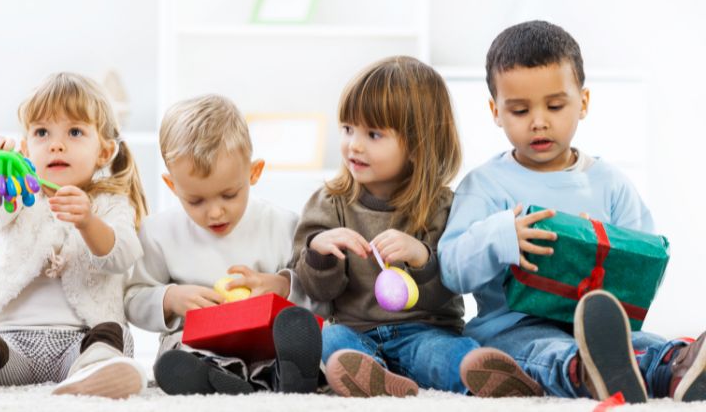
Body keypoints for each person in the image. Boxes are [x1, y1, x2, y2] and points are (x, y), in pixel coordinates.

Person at [440, 20, 706, 403]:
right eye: (519, 110)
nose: (539, 121)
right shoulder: (485, 185)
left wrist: (605, 246)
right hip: (514, 326)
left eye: (555, 105)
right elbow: (450, 270)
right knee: (541, 350)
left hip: (602, 326)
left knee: (645, 343)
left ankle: (678, 367)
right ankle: (584, 373)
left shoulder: (610, 183)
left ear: (582, 102)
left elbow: (646, 269)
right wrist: (502, 236)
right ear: (495, 111)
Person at [0, 72, 148, 399]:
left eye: (75, 131)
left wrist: (89, 221)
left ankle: (93, 376)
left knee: (109, 339)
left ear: (104, 152)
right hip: (12, 344)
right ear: (25, 146)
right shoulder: (20, 193)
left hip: (81, 340)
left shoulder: (110, 204)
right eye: (42, 132)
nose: (56, 144)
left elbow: (124, 255)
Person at [292, 56, 478, 397]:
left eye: (373, 134)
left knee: (450, 354)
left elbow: (451, 284)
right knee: (330, 339)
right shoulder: (329, 202)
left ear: (417, 144)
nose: (354, 145)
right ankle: (369, 376)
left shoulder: (442, 207)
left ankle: (479, 373)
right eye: (348, 129)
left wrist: (422, 256)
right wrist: (320, 254)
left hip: (426, 332)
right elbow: (317, 292)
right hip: (355, 331)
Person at [124, 94, 322, 395]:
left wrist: (281, 286)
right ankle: (220, 378)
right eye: (196, 200)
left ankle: (287, 374)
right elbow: (133, 298)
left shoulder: (284, 225)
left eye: (229, 195)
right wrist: (170, 298)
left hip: (263, 343)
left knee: (291, 336)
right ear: (171, 185)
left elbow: (320, 297)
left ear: (253, 172)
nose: (215, 212)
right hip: (197, 345)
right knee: (175, 355)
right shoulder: (158, 232)